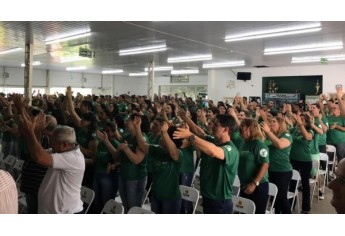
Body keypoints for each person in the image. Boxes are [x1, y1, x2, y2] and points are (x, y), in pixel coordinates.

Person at [14, 94, 85, 214]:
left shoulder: (73, 158)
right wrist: (36, 131)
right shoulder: (60, 150)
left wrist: (31, 131)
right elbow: (34, 154)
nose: (50, 145)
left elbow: (39, 156)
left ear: (64, 145)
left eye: (53, 142)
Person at [174, 110, 239, 214]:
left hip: (220, 201)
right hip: (207, 197)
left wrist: (190, 136)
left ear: (225, 129)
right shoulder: (214, 141)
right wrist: (186, 119)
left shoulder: (231, 149)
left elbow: (213, 151)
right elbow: (199, 132)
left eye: (216, 125)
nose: (212, 126)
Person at [261, 116, 293, 214]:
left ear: (280, 124)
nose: (271, 123)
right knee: (273, 199)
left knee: (281, 198)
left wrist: (267, 132)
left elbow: (280, 145)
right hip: (269, 171)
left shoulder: (286, 135)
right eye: (270, 122)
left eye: (274, 122)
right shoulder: (269, 136)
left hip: (282, 172)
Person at [238, 118, 269, 214]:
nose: (240, 127)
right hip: (244, 185)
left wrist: (254, 183)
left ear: (250, 128)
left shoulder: (259, 144)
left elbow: (265, 164)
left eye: (243, 125)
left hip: (257, 187)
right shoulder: (244, 143)